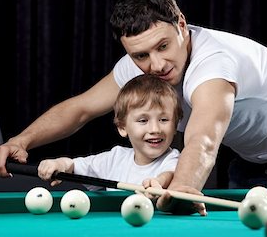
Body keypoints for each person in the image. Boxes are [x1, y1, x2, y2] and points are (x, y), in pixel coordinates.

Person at [0, 0, 267, 215]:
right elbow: (79, 108)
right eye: (140, 56)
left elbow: (203, 139)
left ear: (182, 25)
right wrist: (20, 141)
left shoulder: (213, 64)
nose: (155, 65)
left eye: (163, 46)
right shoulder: (140, 64)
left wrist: (185, 188)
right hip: (252, 159)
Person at [36, 74, 184, 201]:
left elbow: (170, 174)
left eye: (164, 120)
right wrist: (59, 164)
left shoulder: (174, 159)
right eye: (143, 120)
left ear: (175, 124)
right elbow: (74, 166)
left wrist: (158, 182)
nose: (155, 129)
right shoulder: (115, 159)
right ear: (122, 127)